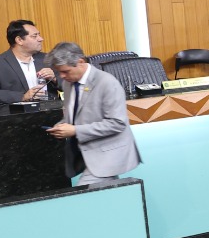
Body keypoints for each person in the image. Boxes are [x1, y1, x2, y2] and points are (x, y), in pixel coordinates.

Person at [43, 42, 141, 185]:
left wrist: (75, 130)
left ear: (80, 62)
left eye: (66, 71)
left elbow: (117, 123)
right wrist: (63, 125)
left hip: (107, 154)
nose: (62, 76)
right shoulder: (67, 84)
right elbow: (75, 114)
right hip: (86, 153)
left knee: (85, 194)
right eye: (59, 72)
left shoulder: (107, 82)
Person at [0, 19, 56, 110]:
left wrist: (55, 78)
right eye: (35, 36)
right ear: (19, 40)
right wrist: (23, 96)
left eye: (39, 35)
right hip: (16, 114)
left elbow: (66, 84)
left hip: (50, 112)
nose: (41, 39)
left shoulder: (47, 59)